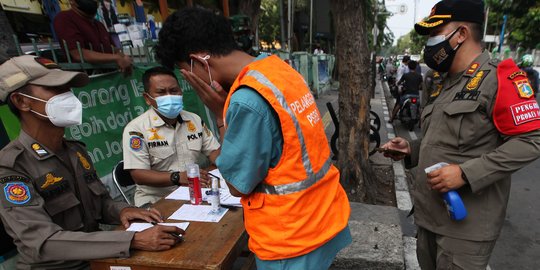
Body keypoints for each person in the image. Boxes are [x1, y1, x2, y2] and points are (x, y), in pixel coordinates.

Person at [156, 8, 351, 269]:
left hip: (291, 239)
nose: (189, 81)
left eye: (184, 71)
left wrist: (220, 115)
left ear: (199, 63)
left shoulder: (246, 101)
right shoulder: (278, 69)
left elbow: (238, 185)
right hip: (323, 216)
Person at [382, 1, 540, 269]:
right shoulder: (446, 81)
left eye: (436, 33)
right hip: (429, 219)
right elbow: (449, 141)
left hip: (465, 231)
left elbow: (532, 140)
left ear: (462, 34)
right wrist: (411, 148)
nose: (430, 43)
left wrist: (466, 173)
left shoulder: (499, 79)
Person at [0, 55, 183, 269]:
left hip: (100, 259)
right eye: (56, 89)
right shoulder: (11, 166)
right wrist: (133, 240)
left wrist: (122, 211)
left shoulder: (76, 151)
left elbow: (101, 204)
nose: (68, 97)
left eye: (68, 89)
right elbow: (43, 242)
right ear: (21, 101)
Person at [122, 66, 221, 207]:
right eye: (161, 92)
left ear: (181, 92)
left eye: (174, 91)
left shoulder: (194, 120)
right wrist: (177, 177)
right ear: (147, 98)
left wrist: (227, 166)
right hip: (156, 200)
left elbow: (215, 153)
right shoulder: (136, 129)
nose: (169, 96)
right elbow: (138, 175)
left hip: (195, 192)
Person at [53, 0, 133, 75]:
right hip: (85, 80)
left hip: (108, 79)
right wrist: (116, 58)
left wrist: (122, 57)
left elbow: (113, 49)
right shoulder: (64, 18)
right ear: (72, 1)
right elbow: (78, 53)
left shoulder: (99, 25)